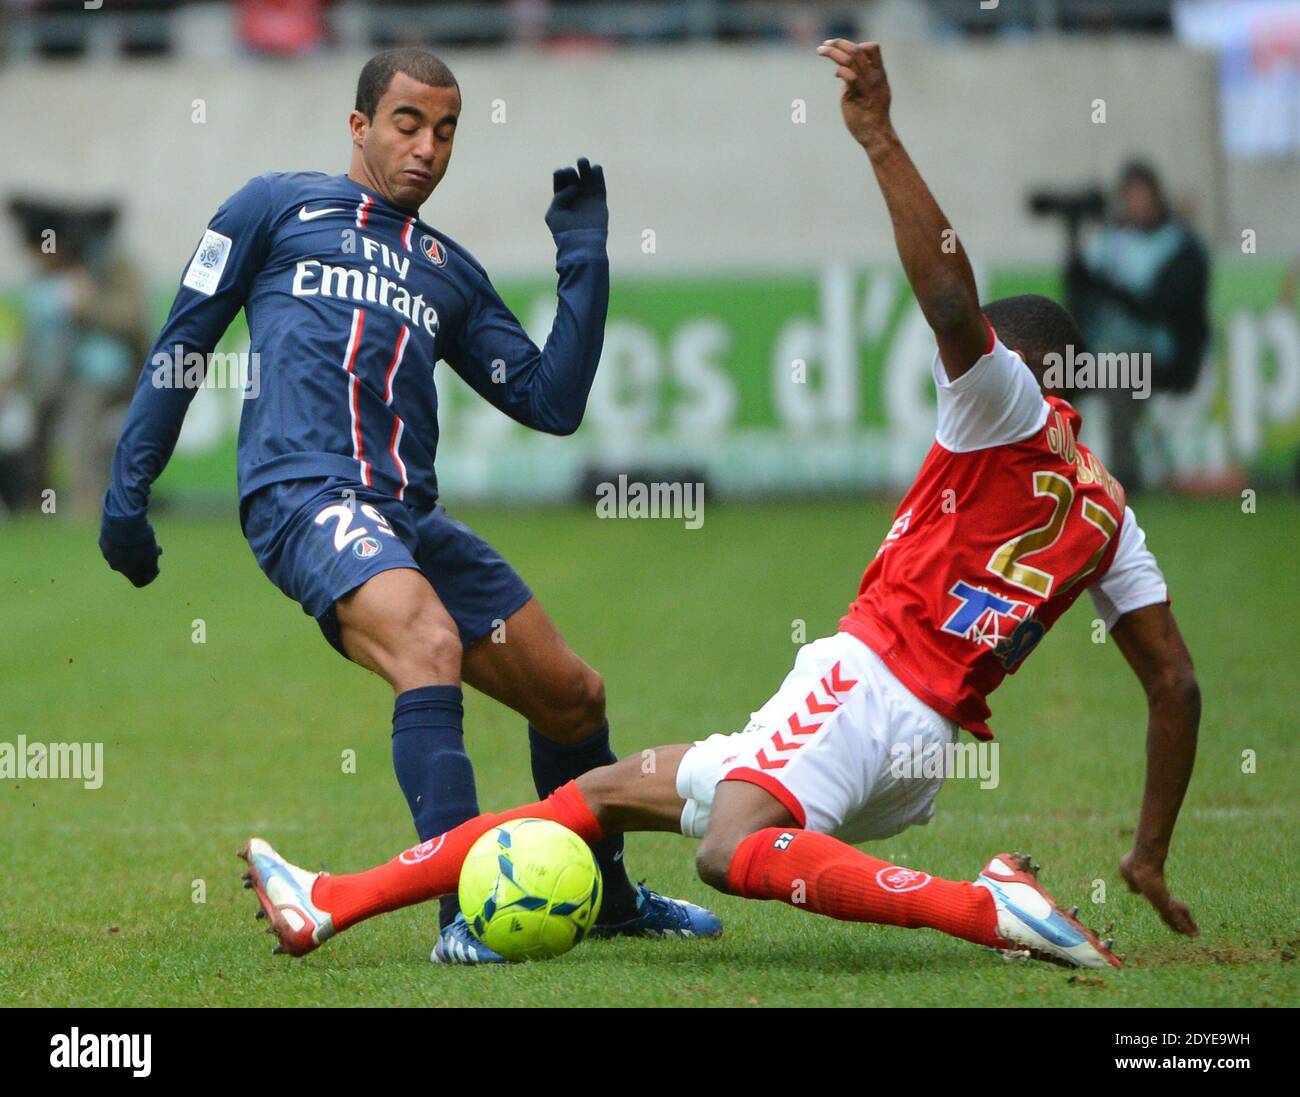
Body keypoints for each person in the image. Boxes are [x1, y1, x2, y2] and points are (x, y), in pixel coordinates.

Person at [239, 40, 1201, 971]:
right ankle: (330, 900)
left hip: (866, 689)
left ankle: (981, 906)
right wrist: (1148, 850)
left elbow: (952, 304)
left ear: (1017, 365)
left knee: (726, 848)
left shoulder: (1003, 401)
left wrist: (879, 139)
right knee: (596, 792)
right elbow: (1176, 687)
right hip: (925, 748)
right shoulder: (1110, 512)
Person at [99, 47, 720, 963]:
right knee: (425, 644)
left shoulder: (447, 271)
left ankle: (614, 894)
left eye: (446, 130)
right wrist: (127, 491)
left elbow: (550, 402)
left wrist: (583, 259)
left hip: (408, 519)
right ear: (359, 126)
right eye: (407, 123)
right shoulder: (272, 206)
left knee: (573, 697)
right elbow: (185, 338)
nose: (427, 146)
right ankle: (461, 916)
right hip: (303, 493)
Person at [1066, 161, 1211, 490]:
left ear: (1157, 198)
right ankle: (1050, 470)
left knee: (1116, 367)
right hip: (1101, 351)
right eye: (1128, 197)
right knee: (1049, 365)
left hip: (1161, 357)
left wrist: (1110, 289)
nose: (1135, 204)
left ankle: (1124, 470)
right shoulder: (1108, 242)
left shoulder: (1179, 247)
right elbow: (1078, 294)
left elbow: (1168, 308)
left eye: (1142, 196)